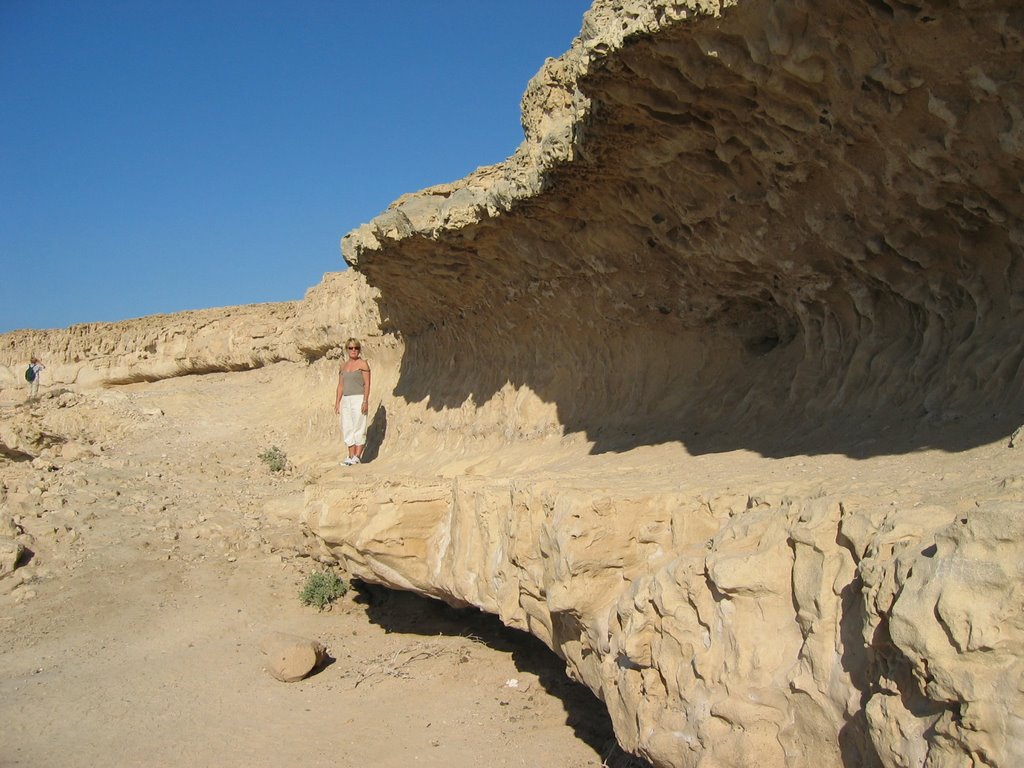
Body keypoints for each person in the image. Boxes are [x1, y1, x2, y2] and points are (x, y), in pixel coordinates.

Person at [334, 338, 371, 465]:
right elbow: (340, 385)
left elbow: (367, 384)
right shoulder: (343, 366)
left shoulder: (363, 364)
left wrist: (365, 401)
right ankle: (350, 456)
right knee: (347, 426)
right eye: (351, 348)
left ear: (359, 349)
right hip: (346, 398)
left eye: (356, 348)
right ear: (347, 349)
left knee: (359, 425)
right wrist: (337, 402)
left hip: (358, 397)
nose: (353, 350)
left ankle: (357, 456)